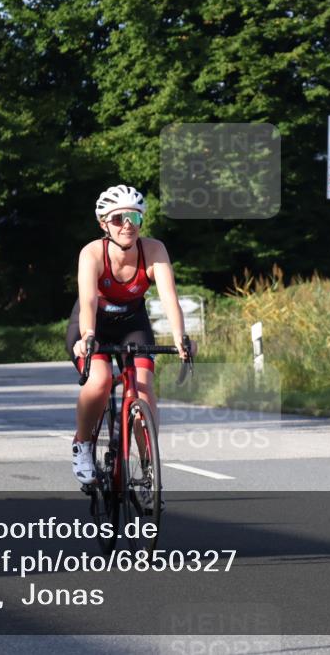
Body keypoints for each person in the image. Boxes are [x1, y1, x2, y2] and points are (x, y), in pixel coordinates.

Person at [66, 184, 191, 489]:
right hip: (93, 321)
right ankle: (82, 446)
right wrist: (89, 335)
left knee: (144, 389)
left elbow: (169, 298)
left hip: (133, 322)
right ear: (103, 224)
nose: (127, 225)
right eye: (118, 218)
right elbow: (88, 302)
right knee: (100, 381)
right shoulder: (92, 253)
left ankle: (149, 470)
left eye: (134, 218)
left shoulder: (154, 250)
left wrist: (180, 337)